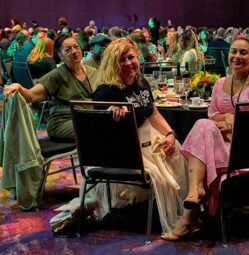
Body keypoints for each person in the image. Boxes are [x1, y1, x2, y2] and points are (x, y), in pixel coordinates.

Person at [54, 37, 187, 233]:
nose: (128, 63)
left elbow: (153, 113)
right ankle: (161, 216)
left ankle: (181, 212)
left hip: (147, 140)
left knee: (179, 152)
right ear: (112, 64)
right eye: (121, 60)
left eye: (131, 57)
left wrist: (170, 133)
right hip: (124, 152)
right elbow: (98, 125)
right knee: (161, 170)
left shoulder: (141, 83)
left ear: (138, 58)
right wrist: (111, 112)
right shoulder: (106, 91)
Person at [162, 37, 249, 241]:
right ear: (228, 55)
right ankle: (194, 197)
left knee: (204, 147)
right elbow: (211, 115)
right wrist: (227, 118)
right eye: (234, 52)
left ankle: (191, 213)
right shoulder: (220, 84)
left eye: (243, 53)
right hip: (223, 146)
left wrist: (235, 121)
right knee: (202, 124)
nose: (237, 57)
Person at [3, 34, 98, 142]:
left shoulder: (93, 72)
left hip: (88, 118)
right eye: (68, 49)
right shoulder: (57, 75)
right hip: (63, 122)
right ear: (60, 55)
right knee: (95, 129)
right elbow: (32, 95)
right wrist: (19, 88)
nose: (74, 51)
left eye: (76, 47)